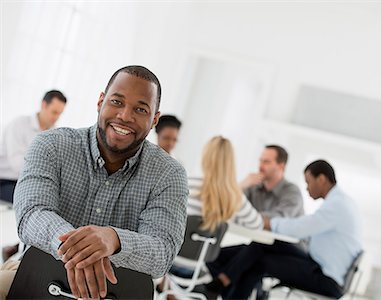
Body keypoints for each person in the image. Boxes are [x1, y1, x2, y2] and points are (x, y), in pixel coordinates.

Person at [0, 65, 189, 300]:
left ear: (154, 120)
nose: (125, 116)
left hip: (118, 293)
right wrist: (80, 250)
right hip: (34, 277)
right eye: (117, 102)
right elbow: (31, 214)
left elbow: (162, 252)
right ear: (101, 102)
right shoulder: (50, 145)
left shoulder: (169, 174)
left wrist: (114, 239)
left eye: (140, 109)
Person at [209, 160, 363, 299]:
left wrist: (268, 223)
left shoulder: (337, 204)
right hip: (318, 265)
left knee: (257, 260)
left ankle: (222, 282)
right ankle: (223, 281)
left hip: (325, 279)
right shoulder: (340, 202)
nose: (307, 188)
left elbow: (302, 227)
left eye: (308, 182)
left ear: (321, 179)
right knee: (261, 245)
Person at [157, 136, 263, 296]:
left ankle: (168, 289)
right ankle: (172, 292)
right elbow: (257, 224)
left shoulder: (186, 183)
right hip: (198, 268)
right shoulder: (234, 196)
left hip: (169, 263)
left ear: (205, 157)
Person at [0, 90, 67, 203]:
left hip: (29, 181)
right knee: (32, 199)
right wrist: (43, 172)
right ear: (44, 105)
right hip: (5, 180)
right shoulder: (19, 124)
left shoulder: (54, 133)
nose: (56, 117)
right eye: (54, 112)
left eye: (60, 113)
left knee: (57, 200)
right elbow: (16, 163)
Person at [240, 145, 304, 218]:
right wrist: (242, 185)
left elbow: (278, 219)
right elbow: (230, 207)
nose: (260, 166)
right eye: (260, 160)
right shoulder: (253, 185)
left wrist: (245, 215)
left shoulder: (292, 191)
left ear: (281, 166)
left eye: (266, 162)